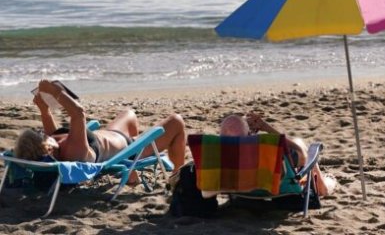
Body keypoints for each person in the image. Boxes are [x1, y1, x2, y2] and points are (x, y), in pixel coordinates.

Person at [14, 79, 187, 174]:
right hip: (130, 150)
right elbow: (78, 113)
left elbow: (52, 130)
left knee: (129, 113)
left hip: (113, 135)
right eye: (41, 136)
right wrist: (54, 92)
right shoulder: (73, 151)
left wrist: (44, 109)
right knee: (176, 121)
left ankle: (131, 175)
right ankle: (178, 175)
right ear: (48, 150)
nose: (43, 133)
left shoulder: (58, 147)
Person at [220, 112, 337, 197]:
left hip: (242, 193)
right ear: (249, 134)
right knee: (301, 145)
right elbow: (302, 155)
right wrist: (266, 127)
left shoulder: (218, 154)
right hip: (280, 190)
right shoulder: (268, 151)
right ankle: (324, 186)